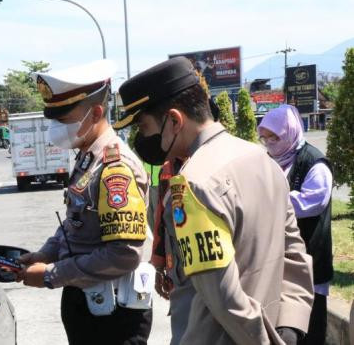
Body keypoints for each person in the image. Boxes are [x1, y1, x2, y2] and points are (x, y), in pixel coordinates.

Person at [113, 57, 314, 344]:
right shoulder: (261, 159)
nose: (142, 138)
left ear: (174, 120)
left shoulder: (193, 185)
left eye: (144, 127)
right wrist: (290, 327)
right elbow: (294, 254)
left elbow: (225, 300)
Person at [16, 59, 153, 344]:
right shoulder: (88, 158)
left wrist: (52, 275)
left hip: (113, 318)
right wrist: (46, 253)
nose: (56, 127)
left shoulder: (115, 168)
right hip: (92, 306)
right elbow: (76, 223)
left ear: (96, 113)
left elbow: (124, 254)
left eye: (64, 119)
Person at [258, 104, 334, 345]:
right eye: (265, 138)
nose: (270, 143)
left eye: (275, 137)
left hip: (310, 258)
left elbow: (313, 201)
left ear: (289, 132)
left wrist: (269, 199)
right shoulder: (268, 160)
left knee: (311, 329)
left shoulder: (314, 162)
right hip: (276, 262)